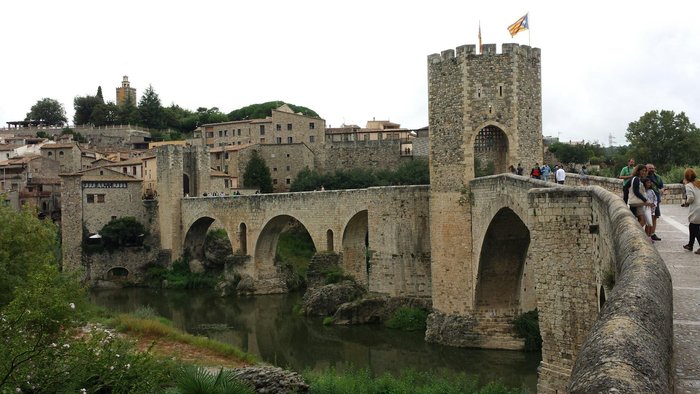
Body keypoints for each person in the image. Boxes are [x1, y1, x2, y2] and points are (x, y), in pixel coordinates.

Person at [682, 168, 700, 254]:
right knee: (693, 226)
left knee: (695, 228)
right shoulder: (698, 183)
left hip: (696, 209)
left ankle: (692, 245)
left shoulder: (688, 185)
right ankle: (690, 244)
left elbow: (691, 198)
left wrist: (686, 203)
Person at [646, 163, 665, 241]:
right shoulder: (643, 177)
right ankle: (645, 234)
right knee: (645, 218)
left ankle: (652, 234)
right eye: (649, 168)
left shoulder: (658, 177)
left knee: (654, 217)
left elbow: (661, 186)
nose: (651, 170)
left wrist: (662, 190)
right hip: (645, 201)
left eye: (652, 168)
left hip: (655, 200)